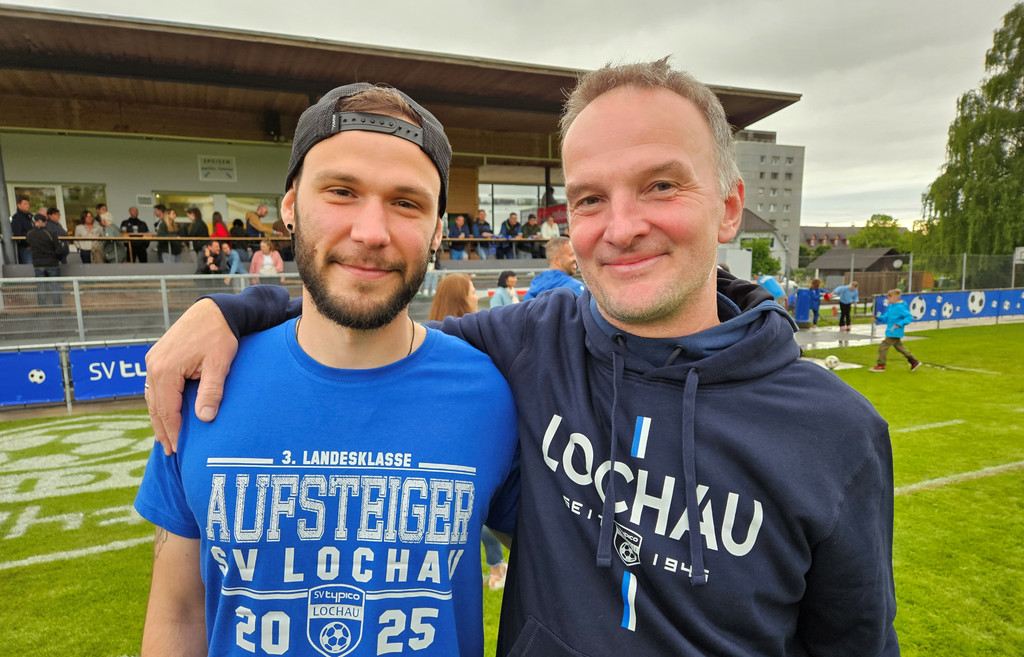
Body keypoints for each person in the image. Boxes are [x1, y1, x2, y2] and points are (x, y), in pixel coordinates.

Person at [144, 59, 899, 657]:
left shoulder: (835, 432)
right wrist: (233, 310)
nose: (622, 226)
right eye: (590, 198)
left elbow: (855, 642)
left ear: (729, 206)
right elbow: (358, 317)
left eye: (661, 185)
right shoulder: (532, 344)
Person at [134, 81, 519, 657]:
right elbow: (179, 611)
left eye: (407, 202)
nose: (371, 233)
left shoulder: (491, 393)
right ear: (291, 206)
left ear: (439, 229)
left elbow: (566, 575)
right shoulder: (203, 383)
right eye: (341, 191)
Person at [426, 274, 509, 591]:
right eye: (473, 291)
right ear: (461, 297)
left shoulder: (431, 334)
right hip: (464, 433)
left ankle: (494, 566)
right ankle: (495, 566)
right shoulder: (470, 340)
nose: (477, 296)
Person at [872, 289, 921, 372]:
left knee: (882, 347)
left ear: (895, 298)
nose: (888, 299)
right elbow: (886, 316)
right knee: (900, 348)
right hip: (891, 331)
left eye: (889, 298)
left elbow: (909, 317)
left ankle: (881, 365)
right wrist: (878, 318)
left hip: (894, 331)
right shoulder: (891, 306)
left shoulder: (900, 307)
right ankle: (914, 362)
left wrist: (900, 324)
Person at [522, 236, 585, 300]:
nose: (576, 259)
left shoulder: (533, 288)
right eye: (572, 255)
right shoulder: (575, 288)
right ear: (557, 260)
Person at [26, 213, 66, 306]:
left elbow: (27, 245)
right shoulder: (49, 233)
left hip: (38, 263)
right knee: (55, 286)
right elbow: (59, 249)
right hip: (52, 263)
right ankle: (57, 306)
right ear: (43, 222)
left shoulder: (30, 234)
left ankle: (42, 306)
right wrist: (58, 258)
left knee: (41, 286)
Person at [10, 195, 34, 265]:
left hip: (33, 247)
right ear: (19, 205)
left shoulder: (29, 217)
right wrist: (30, 237)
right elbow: (18, 234)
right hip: (25, 248)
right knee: (28, 267)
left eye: (28, 204)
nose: (28, 206)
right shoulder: (17, 218)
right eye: (25, 204)